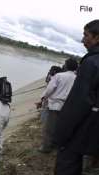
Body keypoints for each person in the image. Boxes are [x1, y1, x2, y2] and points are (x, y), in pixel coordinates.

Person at [54, 19, 99, 175]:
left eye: (86, 35)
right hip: (93, 130)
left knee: (67, 163)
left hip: (82, 128)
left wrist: (61, 134)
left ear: (97, 38)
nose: (82, 40)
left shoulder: (92, 63)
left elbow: (78, 103)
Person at [38, 58, 78, 153]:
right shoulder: (77, 77)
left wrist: (43, 98)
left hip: (54, 105)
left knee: (49, 128)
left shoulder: (59, 76)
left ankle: (46, 147)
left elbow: (49, 89)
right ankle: (56, 144)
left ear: (66, 66)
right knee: (60, 127)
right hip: (67, 107)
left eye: (65, 64)